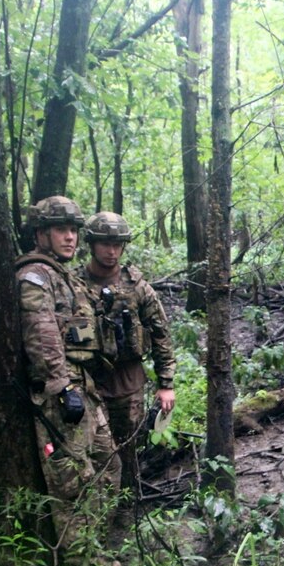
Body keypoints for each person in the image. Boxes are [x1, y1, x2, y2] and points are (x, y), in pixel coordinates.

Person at [16, 196, 120, 565]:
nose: (70, 237)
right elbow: (41, 334)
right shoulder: (35, 276)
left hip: (84, 388)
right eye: (62, 230)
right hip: (61, 395)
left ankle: (97, 548)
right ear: (41, 233)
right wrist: (61, 388)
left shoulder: (64, 276)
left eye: (74, 230)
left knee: (108, 466)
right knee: (72, 484)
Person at [78, 211, 176, 497]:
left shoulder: (136, 286)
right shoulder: (74, 284)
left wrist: (166, 384)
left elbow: (161, 334)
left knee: (127, 448)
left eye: (118, 244)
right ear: (92, 244)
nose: (112, 251)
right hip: (87, 383)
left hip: (127, 383)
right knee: (91, 451)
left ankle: (126, 505)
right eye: (105, 244)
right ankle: (95, 509)